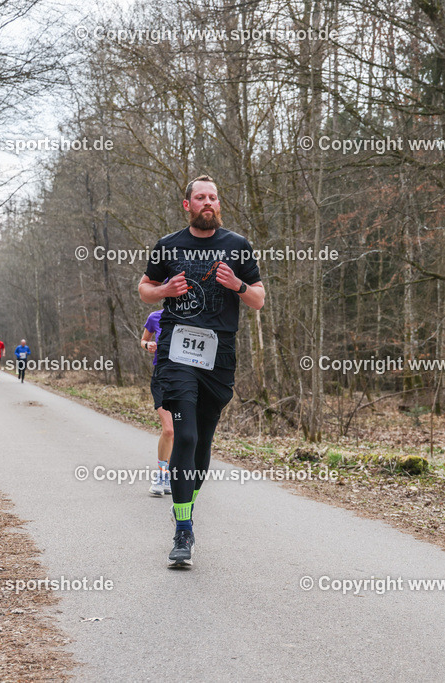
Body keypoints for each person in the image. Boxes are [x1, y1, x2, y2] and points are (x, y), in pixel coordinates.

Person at [138, 175, 265, 568]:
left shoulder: (237, 246)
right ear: (187, 204)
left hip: (218, 356)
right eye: (200, 197)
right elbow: (144, 287)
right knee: (185, 434)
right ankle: (182, 530)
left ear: (218, 204)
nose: (207, 202)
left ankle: (186, 514)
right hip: (176, 353)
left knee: (204, 443)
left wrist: (238, 285)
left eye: (213, 197)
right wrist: (164, 293)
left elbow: (259, 300)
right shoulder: (168, 246)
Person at [141, 310, 174, 496]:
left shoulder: (193, 316)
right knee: (169, 430)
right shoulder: (155, 317)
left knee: (181, 433)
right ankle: (161, 474)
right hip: (162, 377)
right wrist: (148, 345)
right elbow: (143, 340)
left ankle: (169, 473)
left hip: (187, 380)